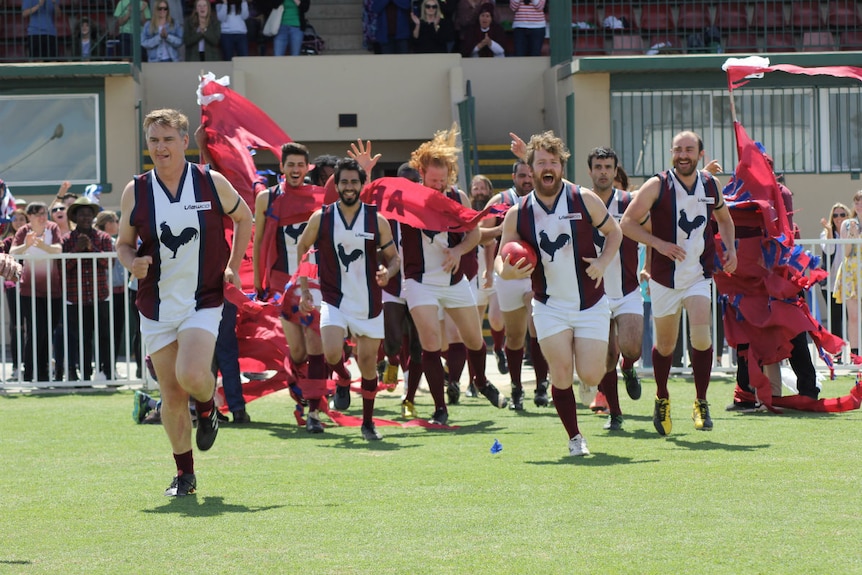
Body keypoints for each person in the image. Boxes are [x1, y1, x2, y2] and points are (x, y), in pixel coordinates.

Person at [116, 108, 252, 497]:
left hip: (203, 298)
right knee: (172, 394)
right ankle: (185, 475)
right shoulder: (136, 190)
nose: (160, 147)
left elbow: (244, 218)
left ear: (184, 141)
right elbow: (123, 244)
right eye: (154, 141)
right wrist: (133, 263)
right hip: (156, 304)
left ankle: (208, 407)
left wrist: (232, 267)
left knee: (192, 375)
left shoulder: (211, 182)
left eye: (167, 139)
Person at [496, 131, 622, 456]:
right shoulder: (518, 212)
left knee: (591, 373)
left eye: (553, 161)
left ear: (561, 166)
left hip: (590, 302)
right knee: (560, 372)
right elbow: (500, 260)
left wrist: (604, 261)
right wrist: (506, 271)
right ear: (531, 168)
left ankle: (588, 381)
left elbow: (614, 232)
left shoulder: (584, 198)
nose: (547, 167)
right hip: (548, 304)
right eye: (541, 162)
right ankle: (574, 437)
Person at [620, 130, 737, 436]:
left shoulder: (711, 184)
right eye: (677, 149)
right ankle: (662, 396)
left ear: (700, 153)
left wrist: (731, 249)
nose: (683, 154)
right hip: (664, 278)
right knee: (668, 344)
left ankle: (701, 401)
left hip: (698, 274)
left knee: (701, 335)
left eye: (689, 149)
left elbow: (724, 219)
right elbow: (627, 223)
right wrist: (658, 244)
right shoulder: (658, 184)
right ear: (671, 153)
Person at [402, 125, 508, 425]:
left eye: (442, 180)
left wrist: (459, 251)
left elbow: (473, 235)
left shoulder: (456, 196)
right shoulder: (407, 196)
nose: (437, 186)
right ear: (421, 173)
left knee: (474, 339)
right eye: (432, 180)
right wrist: (369, 174)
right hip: (419, 280)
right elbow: (374, 203)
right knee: (431, 341)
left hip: (453, 278)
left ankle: (481, 381)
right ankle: (440, 407)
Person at [296, 157, 400, 440]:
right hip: (334, 298)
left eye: (354, 182)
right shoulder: (322, 217)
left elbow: (394, 259)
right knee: (330, 352)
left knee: (367, 363)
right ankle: (342, 377)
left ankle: (368, 423)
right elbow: (303, 248)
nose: (349, 187)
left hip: (369, 302)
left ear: (361, 185)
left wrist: (387, 272)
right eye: (344, 182)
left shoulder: (376, 220)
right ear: (336, 185)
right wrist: (305, 289)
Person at [481, 158, 551, 410]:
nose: (526, 180)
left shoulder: (544, 200)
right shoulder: (500, 202)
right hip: (509, 274)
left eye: (529, 175)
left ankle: (542, 386)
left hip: (536, 274)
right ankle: (517, 388)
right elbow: (480, 232)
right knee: (514, 336)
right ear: (514, 178)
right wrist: (501, 231)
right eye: (521, 176)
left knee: (539, 330)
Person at [586, 147, 643, 431]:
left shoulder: (630, 203)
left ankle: (629, 367)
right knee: (606, 354)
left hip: (628, 288)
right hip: (594, 293)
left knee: (631, 348)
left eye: (608, 166)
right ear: (590, 171)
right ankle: (615, 413)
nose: (603, 172)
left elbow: (659, 220)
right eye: (598, 167)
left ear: (615, 169)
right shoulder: (579, 203)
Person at [9, 202, 62, 382]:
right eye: (38, 214)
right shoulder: (23, 231)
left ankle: (44, 373)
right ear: (29, 216)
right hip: (29, 290)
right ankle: (30, 372)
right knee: (35, 331)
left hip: (53, 290)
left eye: (44, 213)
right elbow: (13, 251)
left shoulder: (53, 227)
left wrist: (42, 246)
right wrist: (27, 245)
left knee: (48, 331)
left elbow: (58, 249)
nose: (42, 217)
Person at [62, 196, 114, 381]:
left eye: (88, 214)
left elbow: (109, 263)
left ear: (93, 217)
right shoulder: (67, 240)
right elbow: (62, 268)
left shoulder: (103, 238)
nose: (85, 217)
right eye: (81, 214)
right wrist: (76, 249)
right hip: (76, 298)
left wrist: (91, 248)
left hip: (99, 296)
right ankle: (84, 375)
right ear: (75, 217)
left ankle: (108, 373)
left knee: (104, 337)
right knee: (81, 339)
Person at [94, 211, 128, 380]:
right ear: (107, 224)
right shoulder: (105, 243)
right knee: (107, 333)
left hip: (120, 292)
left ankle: (110, 368)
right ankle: (105, 369)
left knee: (116, 332)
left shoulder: (118, 243)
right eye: (115, 221)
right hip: (106, 293)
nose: (117, 224)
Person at [834, 191, 862, 359]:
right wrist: (852, 235)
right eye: (856, 201)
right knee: (853, 315)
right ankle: (855, 354)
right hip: (852, 270)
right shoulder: (847, 224)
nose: (859, 205)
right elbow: (846, 252)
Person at [819, 202, 850, 346]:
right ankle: (837, 350)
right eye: (836, 215)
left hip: (850, 281)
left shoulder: (852, 232)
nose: (839, 218)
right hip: (831, 283)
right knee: (835, 317)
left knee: (852, 317)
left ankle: (854, 351)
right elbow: (829, 250)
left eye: (842, 214)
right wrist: (830, 232)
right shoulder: (825, 234)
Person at [3, 208, 28, 378]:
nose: (18, 222)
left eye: (22, 218)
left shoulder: (35, 239)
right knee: (16, 326)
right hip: (13, 287)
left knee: (35, 326)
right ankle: (16, 367)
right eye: (15, 218)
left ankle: (34, 365)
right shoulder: (7, 242)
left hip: (34, 287)